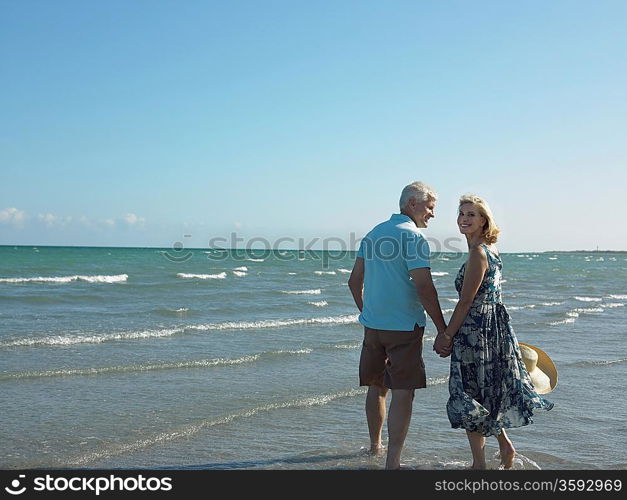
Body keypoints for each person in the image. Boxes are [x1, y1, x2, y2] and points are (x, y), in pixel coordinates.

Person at [433, 194, 554, 470]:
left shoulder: (478, 253)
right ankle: (505, 448)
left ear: (484, 220)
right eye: (461, 213)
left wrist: (447, 335)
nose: (464, 218)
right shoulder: (490, 249)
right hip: (494, 328)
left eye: (471, 215)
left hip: (476, 332)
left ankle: (479, 466)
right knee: (487, 391)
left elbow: (466, 302)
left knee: (469, 394)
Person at [348, 181, 447, 470]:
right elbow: (425, 288)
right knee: (403, 391)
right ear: (412, 204)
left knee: (376, 387)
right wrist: (443, 328)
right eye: (430, 208)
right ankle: (393, 462)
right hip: (403, 327)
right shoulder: (413, 237)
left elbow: (354, 282)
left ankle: (374, 447)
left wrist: (368, 313)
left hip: (373, 328)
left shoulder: (373, 233)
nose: (432, 214)